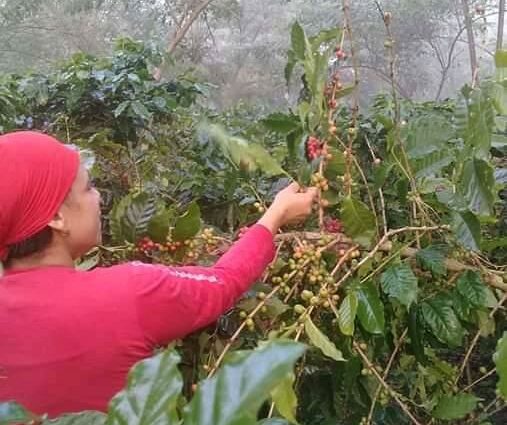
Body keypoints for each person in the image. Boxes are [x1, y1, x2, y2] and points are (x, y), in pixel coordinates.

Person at [0, 131, 317, 418]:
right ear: (56, 217)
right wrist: (275, 216)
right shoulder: (131, 292)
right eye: (89, 187)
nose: (98, 198)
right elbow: (223, 283)